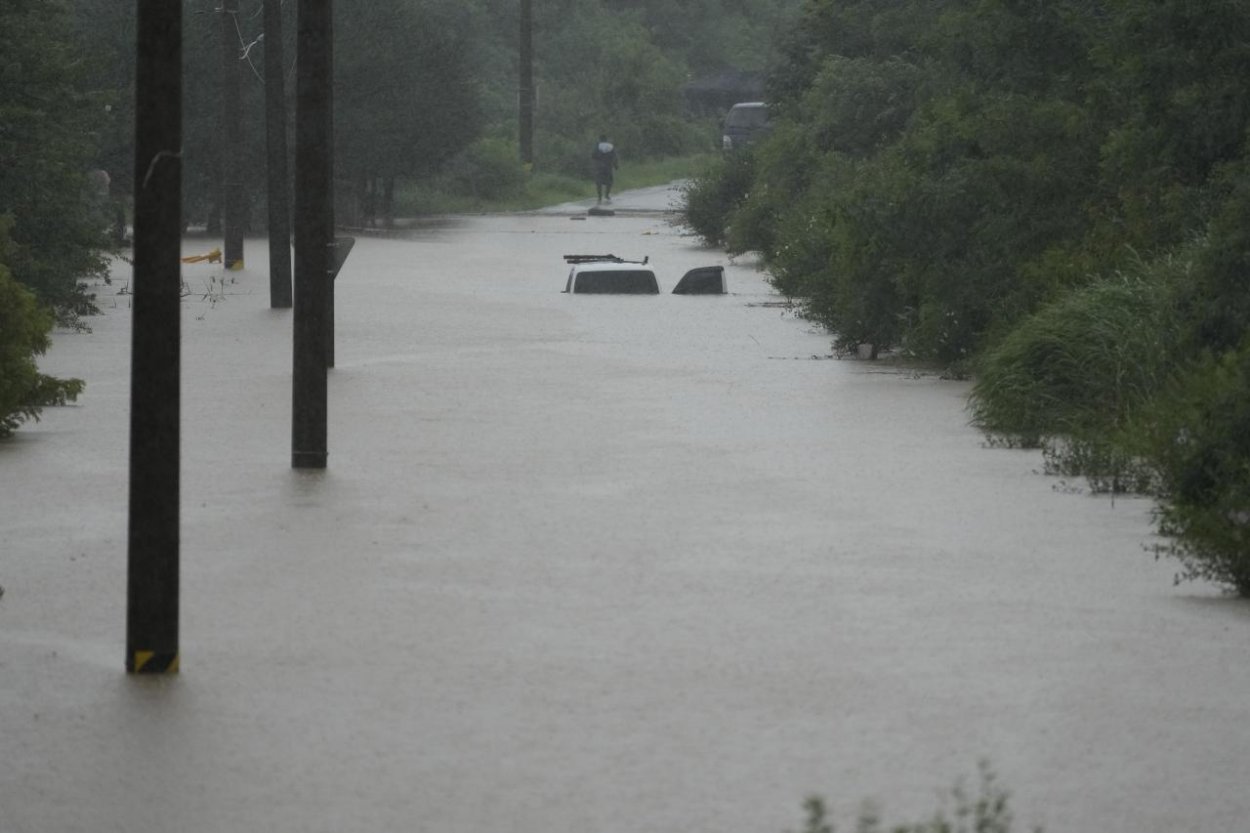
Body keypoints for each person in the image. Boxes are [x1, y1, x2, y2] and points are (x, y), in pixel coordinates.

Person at [591, 134, 619, 204]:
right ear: (606, 139)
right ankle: (607, 194)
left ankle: (599, 197)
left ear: (600, 139)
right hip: (608, 166)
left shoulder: (597, 146)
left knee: (598, 182)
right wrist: (616, 165)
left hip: (599, 167)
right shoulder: (611, 146)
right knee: (609, 181)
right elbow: (615, 157)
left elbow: (593, 155)